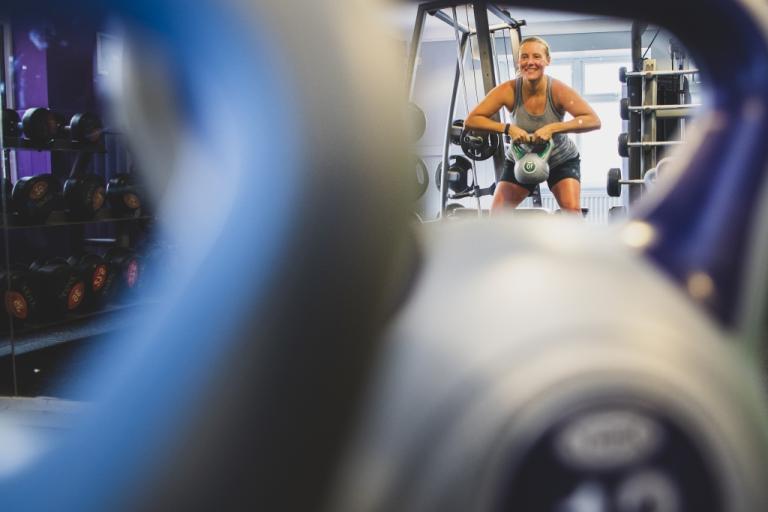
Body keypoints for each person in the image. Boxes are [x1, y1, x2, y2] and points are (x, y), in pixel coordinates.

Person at [464, 36, 601, 214]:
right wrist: (508, 128)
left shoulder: (558, 90)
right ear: (518, 61)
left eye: (537, 57)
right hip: (521, 158)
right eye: (524, 57)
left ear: (547, 60)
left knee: (572, 213)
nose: (530, 62)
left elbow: (592, 120)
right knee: (497, 214)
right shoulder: (508, 90)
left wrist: (552, 128)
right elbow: (472, 120)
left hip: (559, 159)